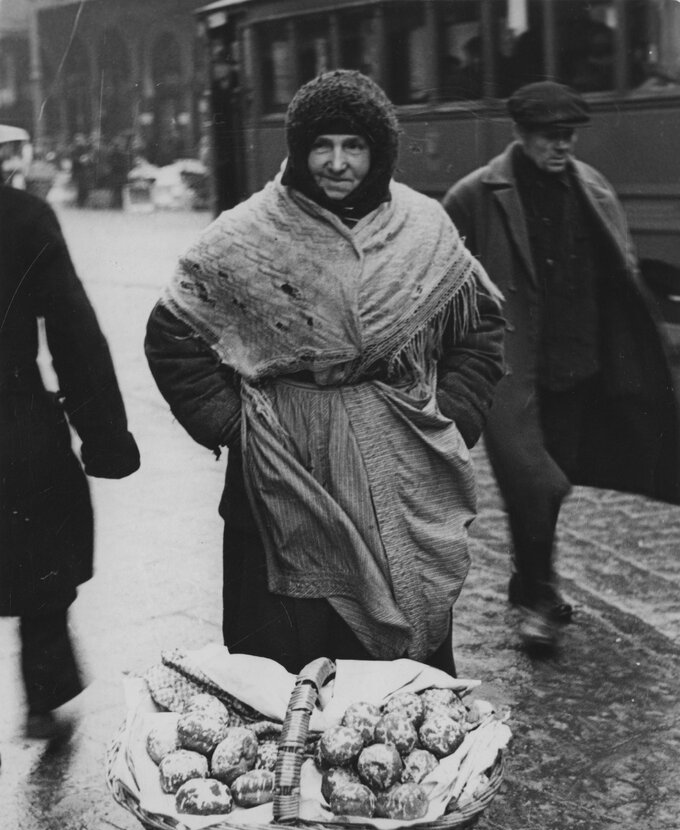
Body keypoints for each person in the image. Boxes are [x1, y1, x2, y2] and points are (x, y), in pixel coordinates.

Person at [145, 70, 505, 677]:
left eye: (354, 146)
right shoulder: (246, 233)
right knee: (287, 649)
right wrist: (238, 429)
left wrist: (452, 419)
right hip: (283, 462)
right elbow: (172, 334)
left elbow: (480, 330)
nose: (337, 163)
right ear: (298, 150)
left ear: (380, 152)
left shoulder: (423, 228)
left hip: (399, 456)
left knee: (398, 656)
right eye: (321, 145)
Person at [443, 81, 680, 650]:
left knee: (557, 478)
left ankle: (528, 581)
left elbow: (619, 271)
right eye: (550, 137)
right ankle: (542, 597)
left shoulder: (592, 188)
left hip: (579, 366)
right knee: (536, 483)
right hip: (513, 370)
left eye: (568, 136)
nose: (562, 147)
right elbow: (444, 280)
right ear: (521, 134)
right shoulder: (476, 194)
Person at [0, 181, 140, 739]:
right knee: (40, 562)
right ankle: (47, 690)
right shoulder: (22, 215)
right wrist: (103, 435)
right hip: (14, 419)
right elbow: (72, 331)